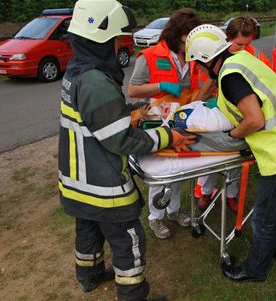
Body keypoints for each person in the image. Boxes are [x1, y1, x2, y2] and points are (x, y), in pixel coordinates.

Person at [58, 1, 195, 299]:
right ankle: (133, 294)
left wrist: (132, 109)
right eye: (116, 39)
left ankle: (90, 275)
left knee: (88, 230)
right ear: (101, 40)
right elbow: (120, 140)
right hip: (101, 184)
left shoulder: (78, 71)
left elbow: (96, 116)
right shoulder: (95, 81)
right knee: (127, 240)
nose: (120, 45)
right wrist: (168, 137)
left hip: (76, 179)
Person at [186, 24, 276, 282]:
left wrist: (231, 135)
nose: (199, 71)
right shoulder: (242, 59)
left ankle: (255, 269)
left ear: (206, 59)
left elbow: (255, 120)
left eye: (198, 65)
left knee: (264, 216)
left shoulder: (230, 77)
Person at [128, 8, 209, 239]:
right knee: (161, 168)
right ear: (175, 35)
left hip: (183, 120)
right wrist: (161, 87)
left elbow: (197, 87)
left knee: (180, 167)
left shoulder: (193, 58)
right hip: (157, 122)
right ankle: (156, 217)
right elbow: (133, 89)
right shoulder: (151, 55)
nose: (188, 46)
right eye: (185, 41)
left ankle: (173, 210)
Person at [197, 16, 271, 213]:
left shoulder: (256, 56)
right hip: (222, 112)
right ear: (228, 39)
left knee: (235, 160)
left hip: (245, 115)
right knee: (212, 156)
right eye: (239, 44)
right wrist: (198, 104)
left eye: (248, 44)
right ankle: (205, 191)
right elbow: (211, 81)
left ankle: (231, 194)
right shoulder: (219, 55)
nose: (243, 49)